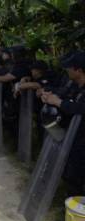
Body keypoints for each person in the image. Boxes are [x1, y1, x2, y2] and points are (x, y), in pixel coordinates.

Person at [41, 51, 85, 196]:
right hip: (71, 136)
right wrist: (50, 96)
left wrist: (58, 102)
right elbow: (64, 93)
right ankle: (71, 203)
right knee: (70, 174)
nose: (66, 70)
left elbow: (79, 107)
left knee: (78, 174)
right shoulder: (74, 84)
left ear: (79, 70)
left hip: (82, 141)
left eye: (69, 68)